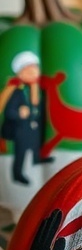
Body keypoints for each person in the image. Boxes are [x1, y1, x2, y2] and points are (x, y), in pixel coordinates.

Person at [0, 50, 45, 185]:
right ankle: (17, 174)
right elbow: (9, 112)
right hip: (20, 128)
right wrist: (18, 113)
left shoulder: (36, 89)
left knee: (36, 144)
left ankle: (37, 159)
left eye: (35, 68)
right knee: (21, 151)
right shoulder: (15, 91)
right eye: (29, 69)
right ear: (20, 72)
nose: (33, 72)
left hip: (33, 126)